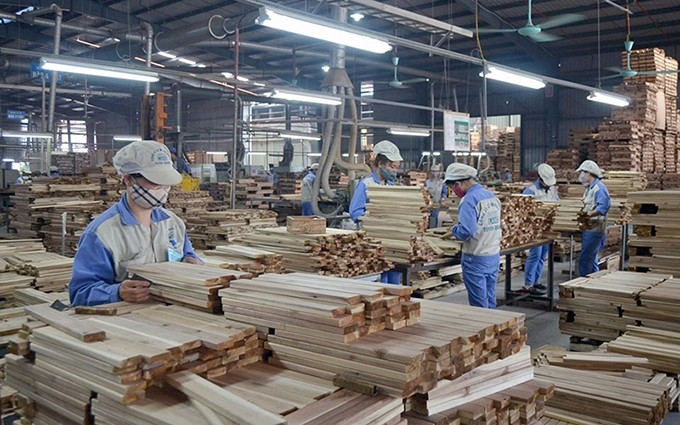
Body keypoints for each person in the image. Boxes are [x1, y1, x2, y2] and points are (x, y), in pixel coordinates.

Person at [69, 141, 202, 307]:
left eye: (166, 183)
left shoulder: (173, 223)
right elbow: (80, 292)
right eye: (155, 182)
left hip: (173, 317)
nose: (162, 189)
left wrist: (191, 261)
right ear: (128, 179)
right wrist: (117, 292)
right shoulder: (102, 233)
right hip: (129, 324)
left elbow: (187, 254)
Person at [445, 163, 502, 309]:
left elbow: (466, 231)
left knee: (479, 304)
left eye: (453, 188)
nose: (454, 191)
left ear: (459, 183)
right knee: (490, 296)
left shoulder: (469, 200)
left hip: (475, 257)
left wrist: (454, 230)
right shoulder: (490, 196)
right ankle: (495, 327)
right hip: (493, 254)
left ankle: (484, 329)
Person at [349, 140, 403, 283]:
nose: (394, 171)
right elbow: (355, 212)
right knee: (381, 279)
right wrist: (374, 220)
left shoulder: (392, 186)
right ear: (380, 164)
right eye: (392, 167)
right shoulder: (366, 185)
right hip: (373, 241)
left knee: (395, 279)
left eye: (396, 167)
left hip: (391, 240)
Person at [520, 163, 559, 295]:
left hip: (548, 229)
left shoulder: (552, 189)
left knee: (543, 256)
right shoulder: (530, 191)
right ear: (539, 178)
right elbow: (524, 212)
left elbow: (557, 204)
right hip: (535, 229)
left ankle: (536, 281)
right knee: (535, 255)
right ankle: (528, 284)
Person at [576, 160, 611, 277]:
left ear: (589, 173)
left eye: (582, 173)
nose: (581, 175)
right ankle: (594, 281)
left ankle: (583, 284)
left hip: (595, 229)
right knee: (592, 258)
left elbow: (603, 207)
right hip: (589, 228)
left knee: (586, 260)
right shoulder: (590, 188)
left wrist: (588, 215)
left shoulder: (599, 188)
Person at [424, 164, 447, 228]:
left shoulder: (442, 182)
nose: (435, 173)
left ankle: (434, 231)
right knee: (427, 218)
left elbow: (444, 192)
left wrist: (443, 198)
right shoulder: (427, 182)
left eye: (436, 171)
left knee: (436, 217)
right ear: (431, 172)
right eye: (433, 171)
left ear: (439, 172)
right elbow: (424, 192)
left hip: (437, 204)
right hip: (428, 204)